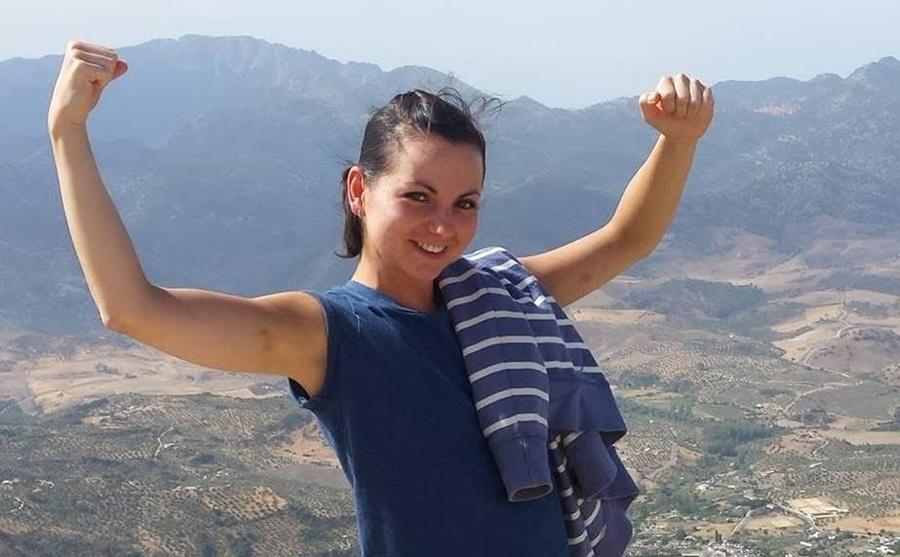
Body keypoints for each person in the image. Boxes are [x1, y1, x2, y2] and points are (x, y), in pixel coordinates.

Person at [48, 39, 714, 556]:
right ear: (359, 191)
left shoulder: (497, 295)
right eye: (418, 197)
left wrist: (677, 140)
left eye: (466, 203)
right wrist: (67, 131)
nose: (443, 225)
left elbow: (626, 239)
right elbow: (132, 308)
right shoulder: (330, 334)